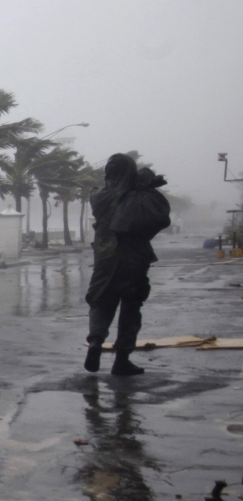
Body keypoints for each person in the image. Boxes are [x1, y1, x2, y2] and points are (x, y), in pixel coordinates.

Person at [83, 153, 171, 376]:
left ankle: (95, 343)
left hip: (104, 257)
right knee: (131, 306)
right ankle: (122, 358)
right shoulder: (138, 194)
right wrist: (145, 183)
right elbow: (158, 216)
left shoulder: (99, 196)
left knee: (101, 302)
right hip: (133, 256)